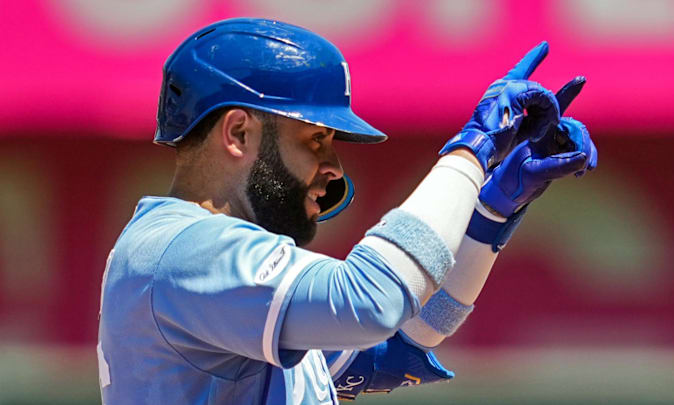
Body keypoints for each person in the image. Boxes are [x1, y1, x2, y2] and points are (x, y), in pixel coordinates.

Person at [97, 18, 597, 404]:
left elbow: (401, 341)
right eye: (316, 139)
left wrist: (490, 209)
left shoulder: (209, 271)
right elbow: (372, 301)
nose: (334, 165)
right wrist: (474, 148)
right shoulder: (181, 249)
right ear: (239, 133)